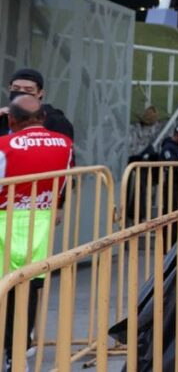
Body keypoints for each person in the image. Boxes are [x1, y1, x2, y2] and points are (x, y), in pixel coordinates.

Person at [0, 95, 74, 368]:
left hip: (5, 220)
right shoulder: (65, 144)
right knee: (28, 288)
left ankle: (12, 350)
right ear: (43, 117)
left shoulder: (4, 145)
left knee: (6, 290)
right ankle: (18, 353)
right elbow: (64, 182)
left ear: (11, 120)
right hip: (40, 220)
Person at [0, 68, 74, 140]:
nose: (21, 93)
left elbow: (64, 149)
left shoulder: (56, 121)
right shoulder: (3, 117)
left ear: (40, 93)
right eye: (16, 89)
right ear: (10, 89)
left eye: (28, 90)